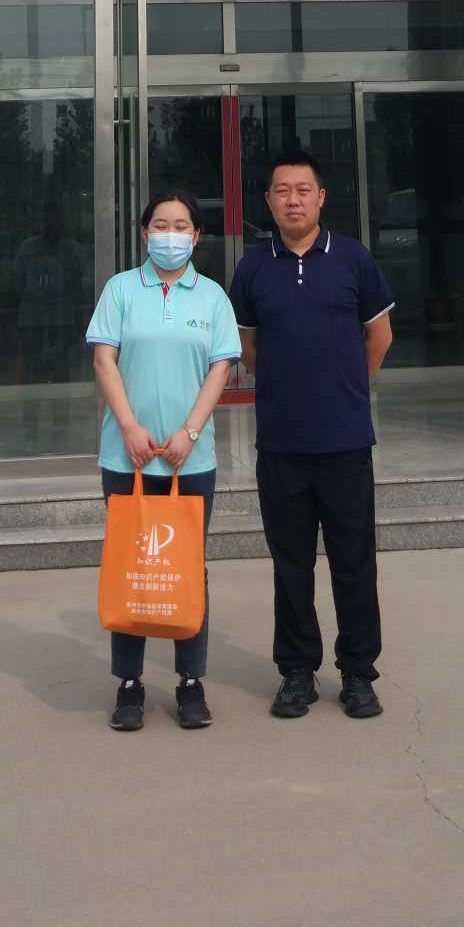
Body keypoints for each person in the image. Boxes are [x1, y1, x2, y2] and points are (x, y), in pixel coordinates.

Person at [229, 149, 394, 721]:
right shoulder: (253, 268)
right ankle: (297, 671)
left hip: (345, 442)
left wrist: (346, 386)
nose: (293, 200)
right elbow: (248, 348)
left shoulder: (352, 259)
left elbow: (380, 336)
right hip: (281, 443)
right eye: (282, 191)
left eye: (303, 190)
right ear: (268, 201)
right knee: (291, 564)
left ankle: (358, 673)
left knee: (354, 562)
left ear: (321, 198)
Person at [86, 188, 241, 732]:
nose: (169, 235)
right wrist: (129, 426)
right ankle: (129, 684)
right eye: (160, 225)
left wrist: (190, 432)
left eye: (180, 226)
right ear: (144, 232)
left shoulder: (212, 297)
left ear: (196, 237)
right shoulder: (121, 289)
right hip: (125, 456)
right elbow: (104, 358)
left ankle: (190, 681)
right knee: (131, 565)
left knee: (187, 568)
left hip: (189, 460)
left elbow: (221, 368)